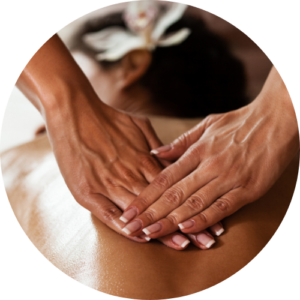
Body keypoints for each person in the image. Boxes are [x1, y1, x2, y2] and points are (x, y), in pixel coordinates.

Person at [16, 1, 298, 248]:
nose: (43, 124)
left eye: (76, 67)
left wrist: (65, 103)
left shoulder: (17, 166)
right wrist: (279, 110)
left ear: (132, 64)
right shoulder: (288, 166)